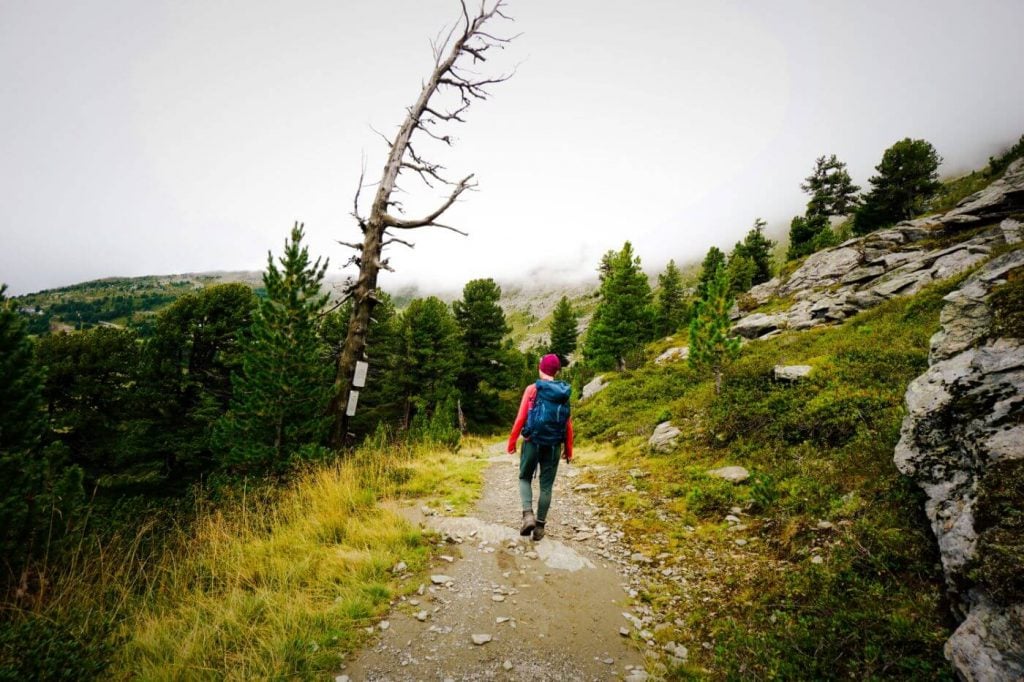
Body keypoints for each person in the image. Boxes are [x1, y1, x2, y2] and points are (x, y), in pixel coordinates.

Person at [506, 353, 574, 541]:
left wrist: (512, 442)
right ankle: (540, 527)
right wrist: (568, 450)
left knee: (524, 477)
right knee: (546, 486)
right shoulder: (563, 393)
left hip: (532, 442)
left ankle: (528, 515)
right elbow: (568, 424)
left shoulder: (532, 389)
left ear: (540, 368)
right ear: (557, 371)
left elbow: (521, 418)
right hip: (553, 445)